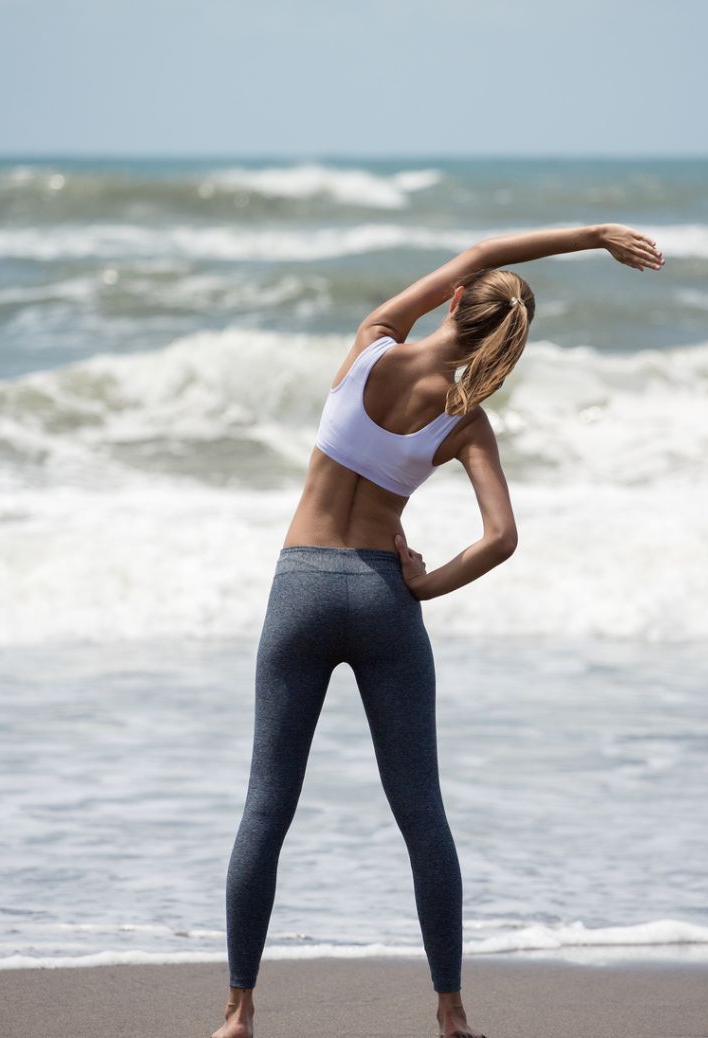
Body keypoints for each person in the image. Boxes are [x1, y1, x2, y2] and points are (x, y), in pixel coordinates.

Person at [213, 223, 665, 1038]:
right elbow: (500, 539)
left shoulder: (371, 346)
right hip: (385, 601)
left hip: (302, 587)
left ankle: (240, 1012)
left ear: (456, 300)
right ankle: (451, 1013)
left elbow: (482, 252)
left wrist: (594, 234)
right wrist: (424, 582)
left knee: (267, 808)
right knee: (421, 811)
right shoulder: (463, 420)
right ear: (505, 343)